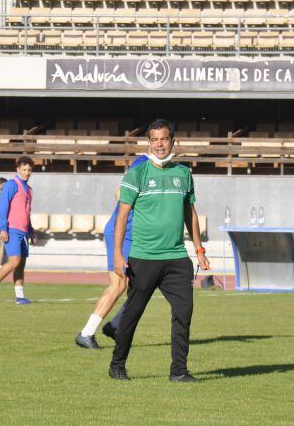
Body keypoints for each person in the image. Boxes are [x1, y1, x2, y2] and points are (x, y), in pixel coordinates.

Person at [109, 119, 211, 383]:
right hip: (143, 258)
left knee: (183, 313)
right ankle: (117, 364)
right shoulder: (137, 174)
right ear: (149, 143)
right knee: (132, 313)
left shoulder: (184, 174)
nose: (159, 144)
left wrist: (198, 249)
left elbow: (191, 213)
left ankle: (179, 371)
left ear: (172, 141)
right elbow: (122, 216)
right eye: (154, 139)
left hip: (176, 258)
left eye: (164, 139)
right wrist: (119, 255)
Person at [74, 155, 149, 350]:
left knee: (143, 286)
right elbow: (119, 191)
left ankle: (115, 326)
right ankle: (86, 333)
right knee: (118, 284)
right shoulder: (144, 162)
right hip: (122, 233)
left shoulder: (162, 168)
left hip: (138, 236)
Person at [0, 156, 35, 305]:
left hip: (24, 231)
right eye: (24, 169)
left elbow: (27, 211)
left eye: (29, 170)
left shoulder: (29, 189)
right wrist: (4, 229)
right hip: (12, 229)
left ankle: (19, 297)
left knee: (21, 265)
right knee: (14, 261)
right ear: (17, 169)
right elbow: (3, 208)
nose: (27, 172)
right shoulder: (11, 185)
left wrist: (31, 230)